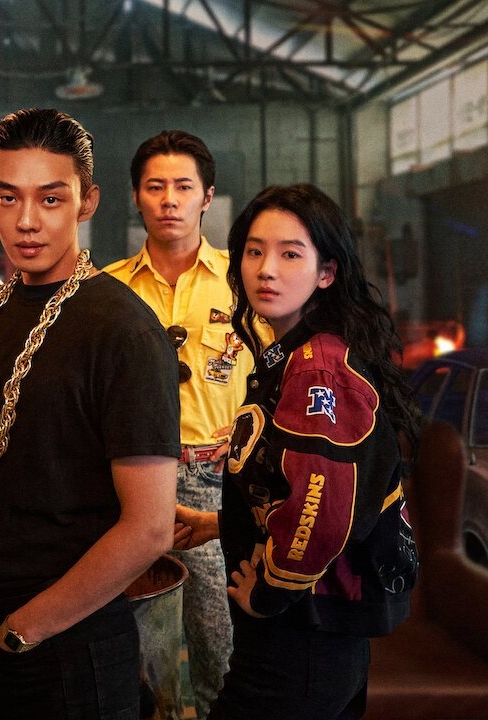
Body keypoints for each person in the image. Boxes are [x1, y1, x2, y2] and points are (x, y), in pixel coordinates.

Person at [0, 107, 181, 720]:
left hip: (73, 644)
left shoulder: (124, 329)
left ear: (87, 202)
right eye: (8, 197)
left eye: (51, 198)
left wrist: (27, 629)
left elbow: (149, 527)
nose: (27, 221)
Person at [176, 184, 421, 719]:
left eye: (290, 254)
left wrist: (270, 590)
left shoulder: (317, 369)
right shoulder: (299, 353)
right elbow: (306, 486)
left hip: (300, 640)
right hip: (317, 638)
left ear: (326, 272)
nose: (267, 270)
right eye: (254, 251)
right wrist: (220, 524)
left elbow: (324, 509)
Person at [105, 130, 255, 719]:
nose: (169, 199)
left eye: (183, 187)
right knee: (141, 645)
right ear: (136, 197)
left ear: (207, 197)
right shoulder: (108, 290)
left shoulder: (244, 283)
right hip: (127, 481)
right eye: (155, 186)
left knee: (222, 645)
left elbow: (277, 377)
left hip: (215, 481)